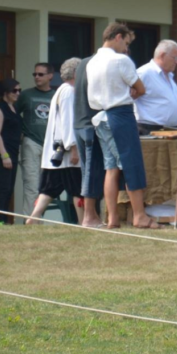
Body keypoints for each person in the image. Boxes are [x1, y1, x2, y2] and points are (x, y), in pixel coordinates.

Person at [87, 23, 154, 230]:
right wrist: (131, 92)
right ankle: (140, 216)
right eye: (126, 43)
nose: (126, 48)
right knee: (131, 164)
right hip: (120, 115)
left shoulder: (92, 62)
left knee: (111, 168)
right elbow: (140, 88)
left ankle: (113, 218)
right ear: (118, 37)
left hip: (100, 117)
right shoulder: (121, 60)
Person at [27, 58, 84, 225]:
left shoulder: (61, 90)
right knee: (78, 188)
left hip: (57, 152)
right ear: (76, 73)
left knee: (49, 189)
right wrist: (74, 148)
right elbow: (68, 121)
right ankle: (83, 221)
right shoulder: (69, 92)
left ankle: (34, 217)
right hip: (67, 152)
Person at [15, 62, 55, 220]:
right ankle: (29, 221)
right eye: (35, 74)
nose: (37, 77)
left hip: (51, 146)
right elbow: (12, 115)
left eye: (40, 74)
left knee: (45, 186)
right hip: (31, 143)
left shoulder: (56, 95)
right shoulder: (26, 95)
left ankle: (38, 220)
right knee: (31, 184)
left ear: (50, 76)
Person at [74, 55, 105, 228]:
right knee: (92, 172)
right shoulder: (102, 63)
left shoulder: (83, 63)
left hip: (80, 122)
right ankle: (89, 216)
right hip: (91, 123)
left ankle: (91, 215)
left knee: (88, 171)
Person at [133, 40, 177, 134]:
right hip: (149, 129)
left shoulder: (169, 76)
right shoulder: (144, 73)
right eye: (175, 58)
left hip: (171, 130)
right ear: (162, 55)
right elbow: (127, 96)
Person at [0, 79, 22, 224]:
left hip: (13, 153)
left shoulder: (13, 108)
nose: (17, 93)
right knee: (3, 188)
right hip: (3, 154)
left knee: (9, 189)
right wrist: (4, 155)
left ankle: (4, 220)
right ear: (5, 92)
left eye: (19, 90)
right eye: (14, 90)